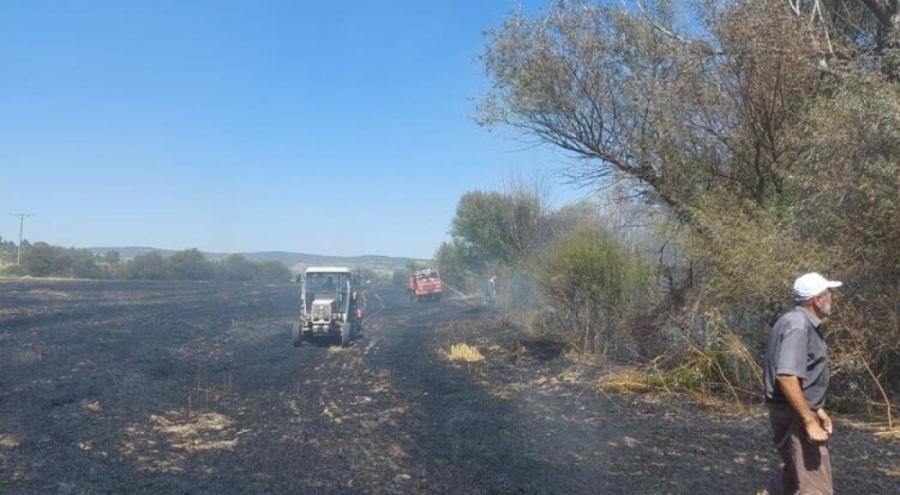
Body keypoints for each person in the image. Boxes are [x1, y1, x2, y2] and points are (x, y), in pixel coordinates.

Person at [763, 272, 842, 495]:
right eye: (828, 293)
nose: (832, 298)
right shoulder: (799, 327)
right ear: (817, 300)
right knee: (815, 487)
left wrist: (817, 409)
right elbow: (787, 377)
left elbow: (801, 376)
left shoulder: (792, 321)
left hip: (796, 411)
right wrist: (808, 421)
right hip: (794, 415)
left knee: (793, 476)